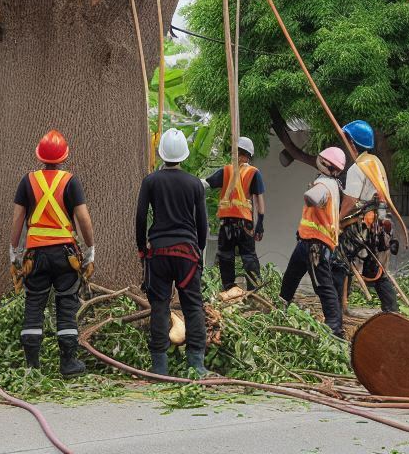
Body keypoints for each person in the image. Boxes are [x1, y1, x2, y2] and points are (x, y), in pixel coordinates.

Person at [10, 129, 95, 376]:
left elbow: (18, 219)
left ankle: (32, 367)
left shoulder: (28, 181)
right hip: (65, 254)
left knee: (34, 304)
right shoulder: (70, 181)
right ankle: (68, 363)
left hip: (35, 255)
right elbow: (83, 218)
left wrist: (14, 253)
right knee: (66, 303)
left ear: (40, 156)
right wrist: (90, 249)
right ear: (64, 157)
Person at [136, 128, 209, 377]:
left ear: (162, 154)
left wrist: (141, 248)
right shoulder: (195, 184)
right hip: (187, 254)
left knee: (159, 307)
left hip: (159, 253)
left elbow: (140, 217)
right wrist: (199, 248)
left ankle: (160, 367)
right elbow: (202, 223)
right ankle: (196, 365)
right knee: (193, 306)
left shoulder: (151, 181)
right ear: (184, 155)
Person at [279, 146, 346, 339]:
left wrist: (310, 193)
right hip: (306, 242)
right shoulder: (333, 183)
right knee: (290, 278)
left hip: (316, 245)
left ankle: (334, 328)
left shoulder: (324, 184)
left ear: (325, 163)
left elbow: (313, 198)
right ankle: (280, 309)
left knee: (323, 286)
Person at [334, 120, 399, 314]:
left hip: (363, 225)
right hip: (379, 223)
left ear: (353, 143)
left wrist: (337, 220)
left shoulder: (358, 168)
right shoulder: (375, 163)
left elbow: (351, 201)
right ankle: (391, 310)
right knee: (375, 267)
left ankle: (338, 308)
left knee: (339, 260)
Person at [203, 136, 265, 291]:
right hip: (244, 223)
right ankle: (254, 291)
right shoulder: (253, 172)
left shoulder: (227, 170)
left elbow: (206, 184)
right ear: (249, 155)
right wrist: (260, 223)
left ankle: (229, 289)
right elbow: (259, 200)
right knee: (248, 256)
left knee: (226, 256)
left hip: (227, 223)